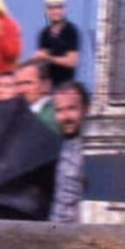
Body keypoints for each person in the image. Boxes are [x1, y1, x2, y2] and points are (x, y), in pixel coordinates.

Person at [48, 81, 89, 224]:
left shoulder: (93, 150)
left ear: (86, 109)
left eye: (71, 108)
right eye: (59, 110)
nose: (65, 117)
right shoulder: (63, 145)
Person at [36, 0, 80, 87]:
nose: (55, 11)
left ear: (64, 10)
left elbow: (72, 61)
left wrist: (48, 58)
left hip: (66, 87)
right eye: (51, 8)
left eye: (58, 8)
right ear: (46, 11)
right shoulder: (44, 33)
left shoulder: (70, 31)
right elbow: (41, 60)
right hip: (48, 88)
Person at [14, 58, 58, 133]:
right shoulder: (15, 112)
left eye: (27, 83)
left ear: (45, 85)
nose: (20, 90)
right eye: (18, 84)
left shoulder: (55, 115)